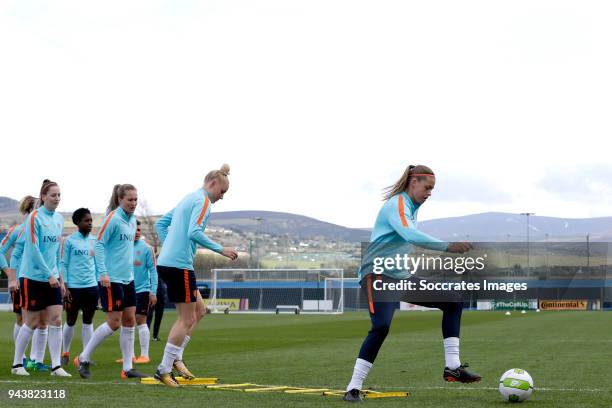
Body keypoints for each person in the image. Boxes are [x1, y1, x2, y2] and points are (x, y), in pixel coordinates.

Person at [343, 165, 480, 403]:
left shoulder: (410, 208)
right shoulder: (398, 203)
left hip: (400, 278)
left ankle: (453, 367)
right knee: (381, 326)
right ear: (413, 182)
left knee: (453, 302)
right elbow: (409, 235)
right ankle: (353, 387)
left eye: (432, 189)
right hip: (377, 277)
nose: (429, 193)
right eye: (427, 188)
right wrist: (448, 246)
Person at [153, 164, 238, 387]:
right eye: (222, 191)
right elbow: (194, 232)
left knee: (200, 310)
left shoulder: (188, 198)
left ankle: (176, 358)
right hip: (179, 266)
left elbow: (161, 223)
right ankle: (163, 369)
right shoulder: (203, 201)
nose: (222, 196)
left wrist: (169, 245)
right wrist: (221, 249)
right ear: (212, 183)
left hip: (170, 263)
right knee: (187, 318)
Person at [74, 184, 146, 380]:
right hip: (111, 280)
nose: (133, 203)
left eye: (135, 199)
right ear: (120, 199)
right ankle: (83, 358)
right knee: (114, 323)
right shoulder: (113, 219)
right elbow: (99, 245)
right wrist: (103, 273)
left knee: (130, 321)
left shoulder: (132, 222)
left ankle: (128, 368)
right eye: (130, 199)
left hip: (127, 279)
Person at [11, 180, 71, 377]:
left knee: (55, 319)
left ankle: (56, 366)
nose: (57, 198)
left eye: (59, 195)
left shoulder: (60, 219)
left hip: (52, 278)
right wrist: (49, 275)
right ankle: (17, 364)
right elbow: (34, 250)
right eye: (53, 195)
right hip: (33, 277)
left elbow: (55, 251)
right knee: (32, 322)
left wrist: (60, 279)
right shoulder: (34, 217)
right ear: (43, 197)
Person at [60, 208, 99, 366]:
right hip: (73, 288)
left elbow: (97, 264)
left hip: (91, 287)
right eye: (86, 221)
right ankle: (65, 352)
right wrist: (66, 286)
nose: (90, 223)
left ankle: (85, 357)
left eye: (91, 221)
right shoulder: (69, 241)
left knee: (88, 321)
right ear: (77, 223)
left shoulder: (95, 241)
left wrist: (97, 283)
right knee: (70, 320)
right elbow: (63, 263)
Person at [1, 196, 36, 369]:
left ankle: (33, 359)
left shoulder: (42, 231)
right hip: (21, 281)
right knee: (22, 318)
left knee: (38, 320)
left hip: (38, 280)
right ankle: (20, 358)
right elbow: (1, 251)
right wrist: (10, 274)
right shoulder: (18, 230)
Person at [116, 220, 157, 364]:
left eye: (139, 230)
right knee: (125, 321)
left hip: (142, 290)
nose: (137, 232)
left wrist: (153, 291)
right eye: (135, 229)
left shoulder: (147, 249)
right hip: (124, 288)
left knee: (140, 320)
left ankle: (144, 355)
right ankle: (130, 356)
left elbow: (153, 271)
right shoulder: (121, 246)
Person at [147, 276, 167, 341]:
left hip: (161, 296)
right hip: (153, 295)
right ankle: (147, 335)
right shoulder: (151, 272)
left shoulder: (160, 270)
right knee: (149, 315)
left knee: (158, 316)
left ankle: (155, 336)